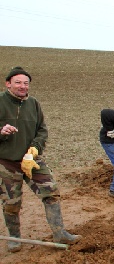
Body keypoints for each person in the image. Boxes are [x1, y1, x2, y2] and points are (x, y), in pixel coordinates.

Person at [0, 67, 82, 253]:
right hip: (6, 161)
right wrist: (1, 133)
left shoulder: (34, 104)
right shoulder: (1, 102)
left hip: (31, 158)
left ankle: (59, 232)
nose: (22, 86)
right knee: (11, 202)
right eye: (18, 82)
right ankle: (14, 237)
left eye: (26, 83)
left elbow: (42, 130)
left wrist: (34, 149)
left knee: (50, 191)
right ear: (8, 84)